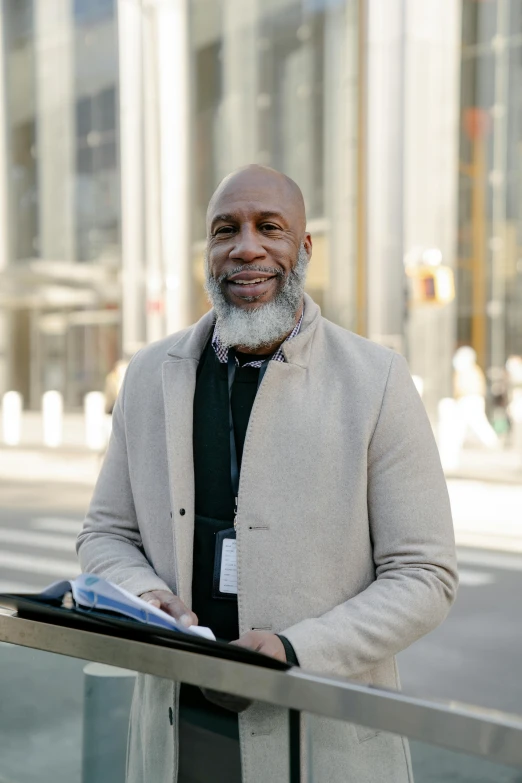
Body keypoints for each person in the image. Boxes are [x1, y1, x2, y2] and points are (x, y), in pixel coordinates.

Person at [77, 165, 458, 783]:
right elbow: (104, 535)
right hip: (176, 738)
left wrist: (293, 652)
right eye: (225, 229)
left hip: (319, 740)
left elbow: (425, 575)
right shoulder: (149, 376)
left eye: (270, 228)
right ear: (208, 251)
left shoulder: (377, 380)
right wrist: (146, 597)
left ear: (303, 249)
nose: (245, 246)